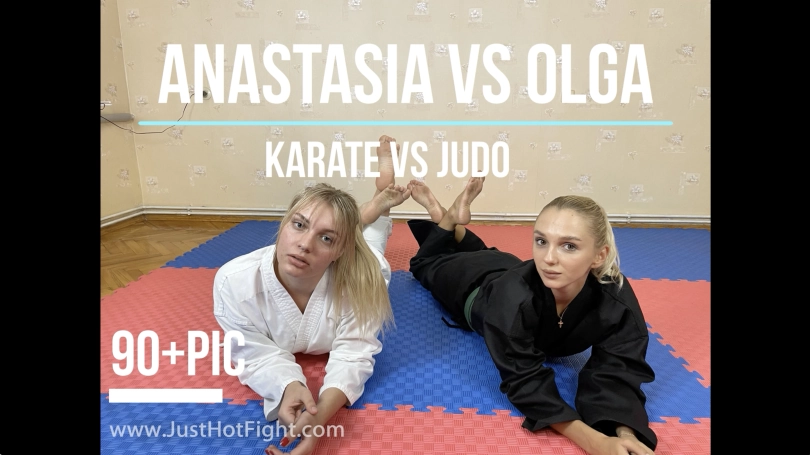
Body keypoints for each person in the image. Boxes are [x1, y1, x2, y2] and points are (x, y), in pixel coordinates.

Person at [405, 176, 658, 455]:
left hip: (507, 265)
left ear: (600, 255)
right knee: (424, 263)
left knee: (483, 252)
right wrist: (593, 441)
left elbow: (619, 366)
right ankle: (446, 216)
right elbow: (524, 380)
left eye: (569, 246)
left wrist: (625, 432)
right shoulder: (513, 297)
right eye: (541, 241)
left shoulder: (614, 294)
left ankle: (450, 219)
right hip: (472, 285)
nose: (548, 258)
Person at [213, 136, 411, 455]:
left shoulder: (365, 278)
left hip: (359, 262)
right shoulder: (234, 283)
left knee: (373, 242)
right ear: (283, 224)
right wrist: (288, 386)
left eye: (326, 239)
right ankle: (365, 212)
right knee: (350, 228)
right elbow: (254, 353)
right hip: (343, 248)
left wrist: (319, 417)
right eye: (299, 225)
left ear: (340, 252)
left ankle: (379, 200)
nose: (304, 244)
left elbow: (354, 354)